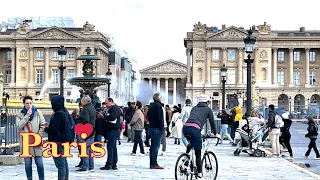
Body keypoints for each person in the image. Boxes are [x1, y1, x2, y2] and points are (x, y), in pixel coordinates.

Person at [182, 94, 220, 178]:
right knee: (198, 153)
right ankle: (199, 172)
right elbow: (212, 123)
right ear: (207, 102)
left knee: (191, 143)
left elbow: (194, 119)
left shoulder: (194, 108)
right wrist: (216, 133)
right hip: (195, 129)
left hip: (185, 128)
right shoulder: (208, 109)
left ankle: (186, 157)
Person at [42, 95, 73, 180]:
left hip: (57, 142)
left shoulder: (58, 114)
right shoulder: (64, 111)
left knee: (60, 165)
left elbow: (54, 129)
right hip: (64, 141)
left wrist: (45, 128)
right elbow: (60, 126)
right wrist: (50, 125)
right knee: (64, 163)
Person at [16, 95, 45, 180]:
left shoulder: (38, 112)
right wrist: (27, 116)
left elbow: (42, 125)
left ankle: (42, 178)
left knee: (39, 163)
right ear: (24, 104)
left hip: (36, 141)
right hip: (26, 143)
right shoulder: (20, 114)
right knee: (28, 164)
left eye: (30, 103)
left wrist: (39, 135)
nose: (29, 105)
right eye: (27, 103)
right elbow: (19, 126)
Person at [99, 97, 121, 170]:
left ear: (111, 102)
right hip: (111, 130)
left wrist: (104, 116)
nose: (106, 105)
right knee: (113, 147)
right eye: (105, 103)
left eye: (107, 103)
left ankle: (109, 163)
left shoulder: (115, 108)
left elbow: (112, 117)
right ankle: (113, 163)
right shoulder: (110, 109)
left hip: (113, 130)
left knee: (110, 147)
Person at [76, 96, 96, 172]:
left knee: (84, 149)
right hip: (92, 131)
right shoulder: (92, 108)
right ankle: (91, 166)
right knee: (90, 150)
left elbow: (86, 119)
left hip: (85, 132)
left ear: (85, 101)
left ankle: (85, 166)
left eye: (82, 101)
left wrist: (79, 121)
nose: (81, 102)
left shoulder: (85, 109)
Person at [147, 93, 165, 169]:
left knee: (153, 146)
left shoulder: (151, 105)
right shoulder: (158, 106)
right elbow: (159, 118)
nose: (162, 98)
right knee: (156, 146)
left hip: (152, 127)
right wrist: (162, 128)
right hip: (158, 128)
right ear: (158, 98)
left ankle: (152, 162)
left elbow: (148, 116)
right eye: (161, 97)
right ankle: (154, 163)